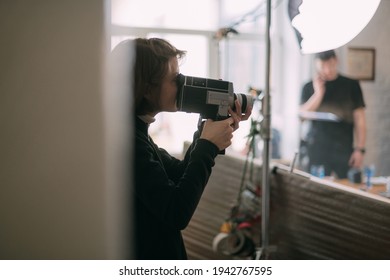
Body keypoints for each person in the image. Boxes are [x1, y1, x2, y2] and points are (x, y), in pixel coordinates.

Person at [111, 38, 251, 259]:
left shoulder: (136, 133)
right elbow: (176, 212)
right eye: (176, 79)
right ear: (147, 89)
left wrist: (207, 124)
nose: (184, 83)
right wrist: (208, 144)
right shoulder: (126, 142)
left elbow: (179, 174)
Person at [300, 49, 366, 179]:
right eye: (322, 66)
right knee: (316, 190)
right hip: (317, 149)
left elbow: (360, 120)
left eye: (330, 65)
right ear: (316, 65)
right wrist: (318, 94)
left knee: (345, 190)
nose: (327, 70)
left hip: (343, 149)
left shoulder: (351, 85)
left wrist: (360, 149)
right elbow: (301, 116)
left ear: (336, 61)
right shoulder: (308, 87)